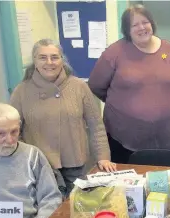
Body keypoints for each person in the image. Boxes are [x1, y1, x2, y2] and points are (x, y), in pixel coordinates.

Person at [10, 39, 116, 197]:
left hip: (77, 165)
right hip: (41, 167)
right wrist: (23, 160)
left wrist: (103, 157)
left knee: (79, 210)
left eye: (54, 57)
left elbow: (96, 126)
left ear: (62, 59)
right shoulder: (22, 91)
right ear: (34, 61)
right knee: (50, 215)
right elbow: (13, 131)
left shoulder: (78, 86)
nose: (49, 62)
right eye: (42, 57)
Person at [88, 4, 170, 164]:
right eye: (135, 24)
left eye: (145, 22)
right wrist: (123, 102)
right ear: (127, 30)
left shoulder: (167, 48)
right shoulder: (114, 52)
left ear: (152, 23)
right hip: (124, 137)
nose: (142, 28)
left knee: (163, 182)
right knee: (127, 184)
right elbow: (96, 85)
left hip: (164, 135)